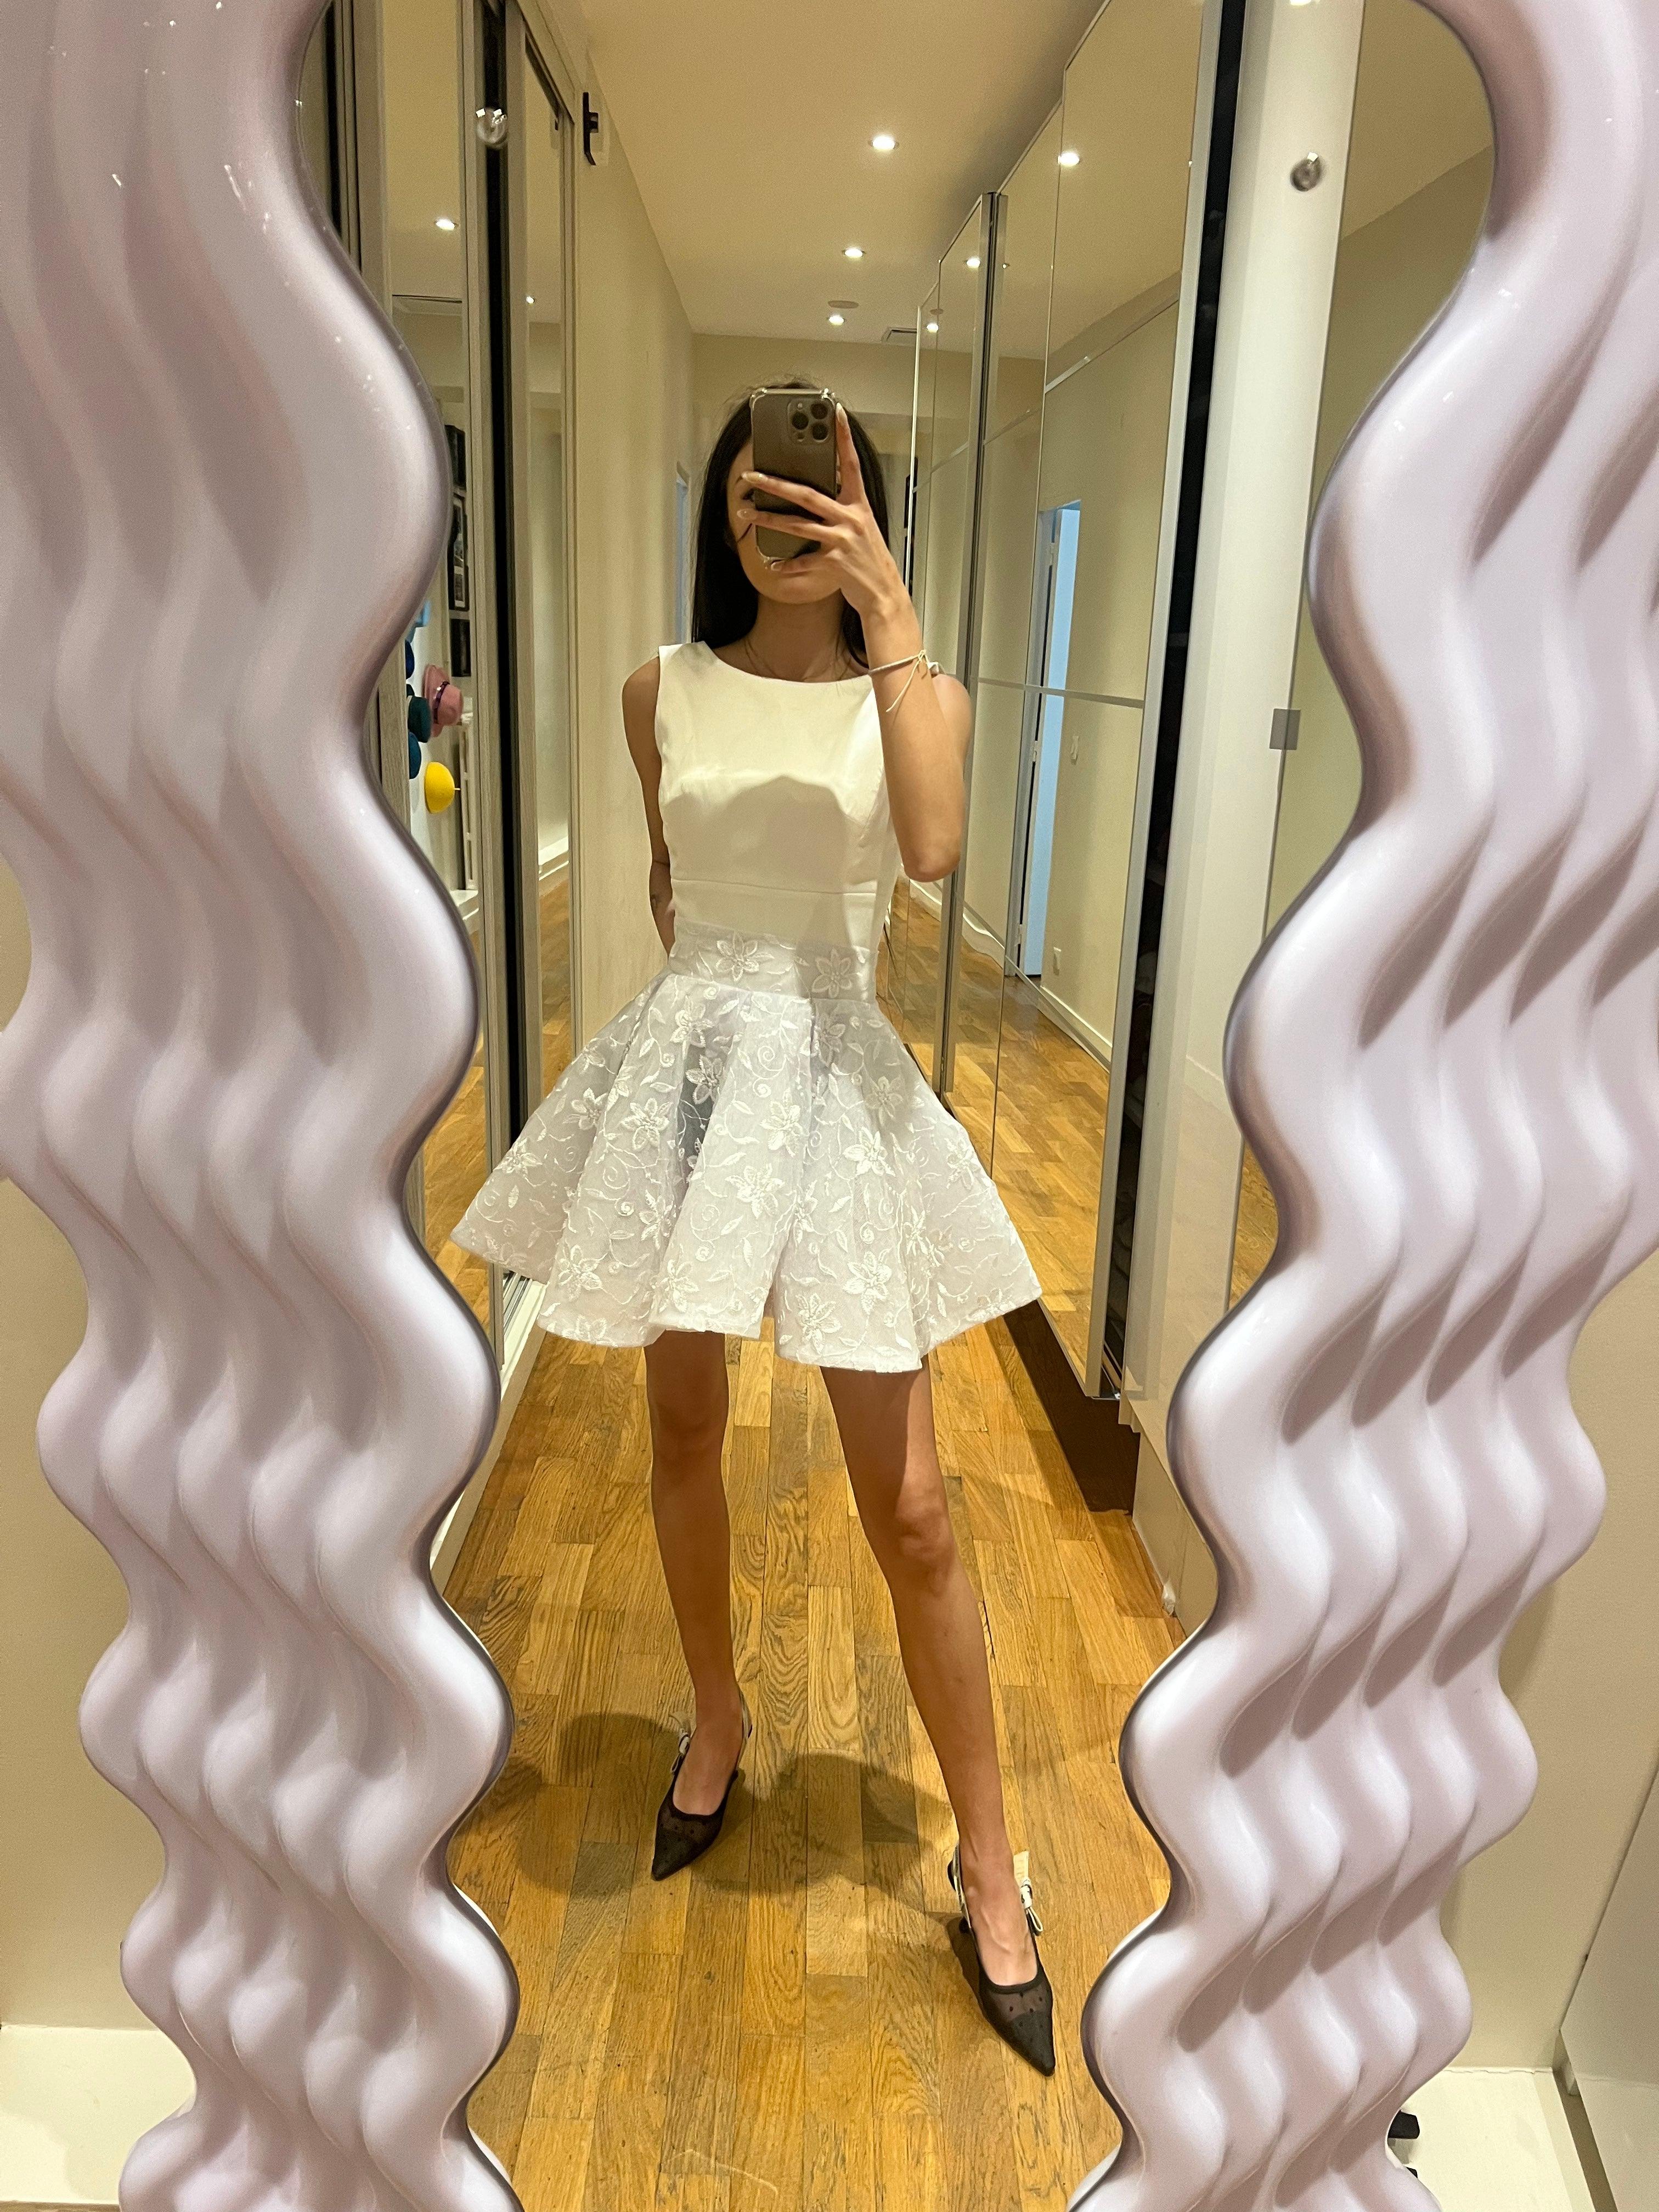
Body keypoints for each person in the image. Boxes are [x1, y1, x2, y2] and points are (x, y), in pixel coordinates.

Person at [453, 383, 1053, 2073]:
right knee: (681, 1424)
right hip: (695, 1068)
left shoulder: (913, 690)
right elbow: (669, 883)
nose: (783, 514)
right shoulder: (662, 690)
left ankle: (990, 1859)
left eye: (818, 494)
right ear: (722, 511)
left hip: (839, 1070)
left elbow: (930, 846)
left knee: (913, 1506)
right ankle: (714, 1719)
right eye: (759, 493)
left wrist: (889, 615)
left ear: (862, 509)